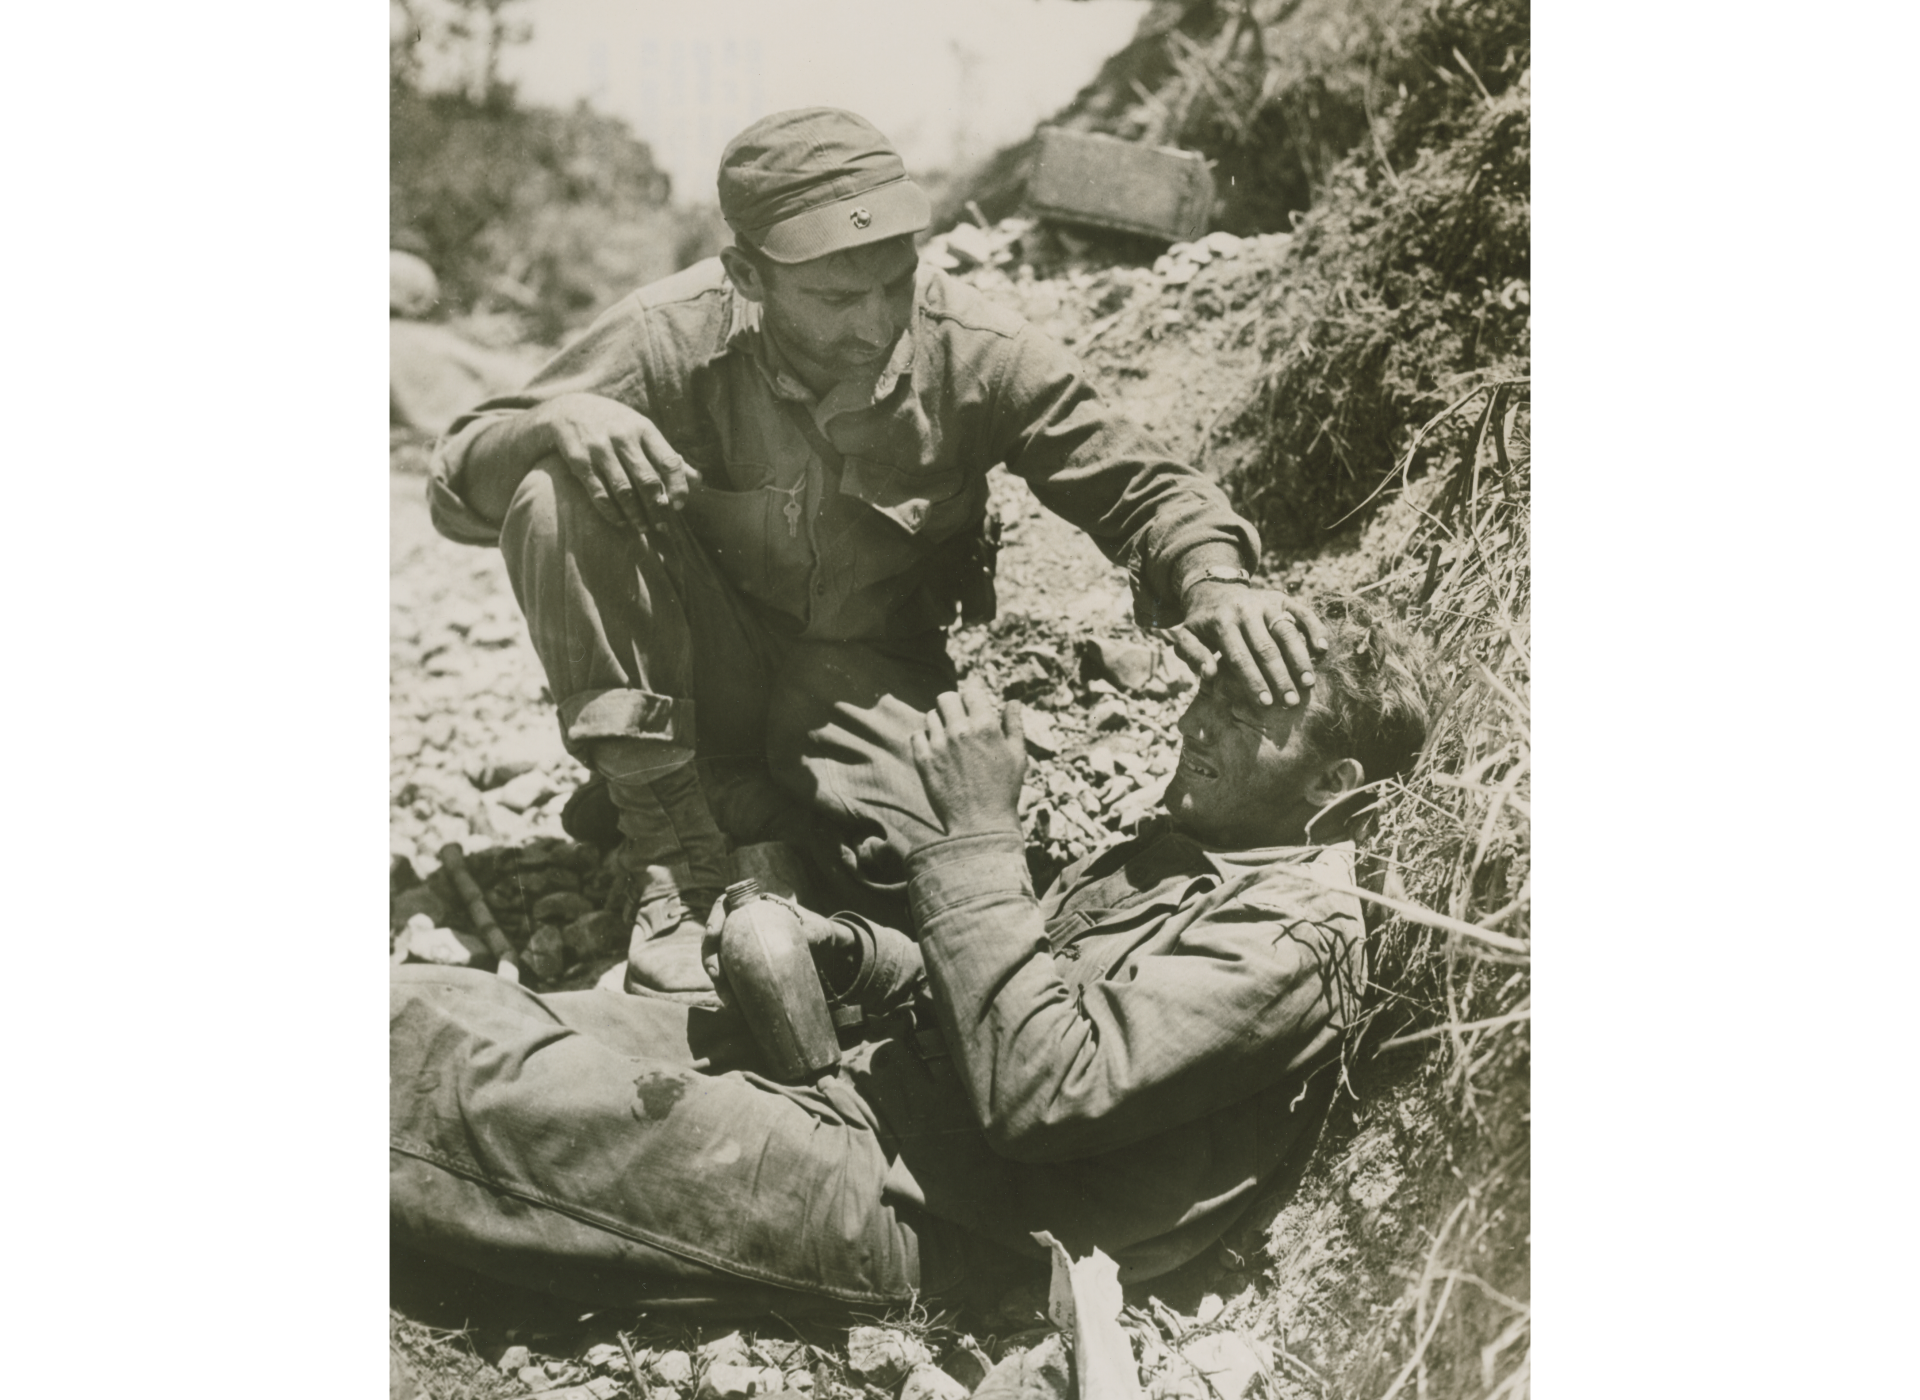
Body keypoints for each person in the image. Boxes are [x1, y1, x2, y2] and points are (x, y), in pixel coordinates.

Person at [425, 106, 1330, 995]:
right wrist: (554, 419)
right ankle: (677, 869)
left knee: (923, 878)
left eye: (895, 282)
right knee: (553, 488)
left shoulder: (976, 349)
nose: (876, 323)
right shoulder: (668, 331)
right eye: (834, 297)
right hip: (713, 660)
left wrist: (1215, 578)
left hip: (865, 675)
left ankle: (724, 800)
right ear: (747, 273)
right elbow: (457, 484)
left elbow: (1138, 482)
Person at [387, 598, 1431, 1320]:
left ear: (1333, 783)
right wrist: (852, 954)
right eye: (1212, 690)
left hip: (948, 1209)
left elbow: (1045, 1086)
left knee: (470, 1083)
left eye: (1248, 719)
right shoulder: (1195, 845)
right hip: (877, 1093)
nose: (1200, 720)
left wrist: (976, 832)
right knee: (437, 1002)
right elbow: (999, 991)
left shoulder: (1298, 933)